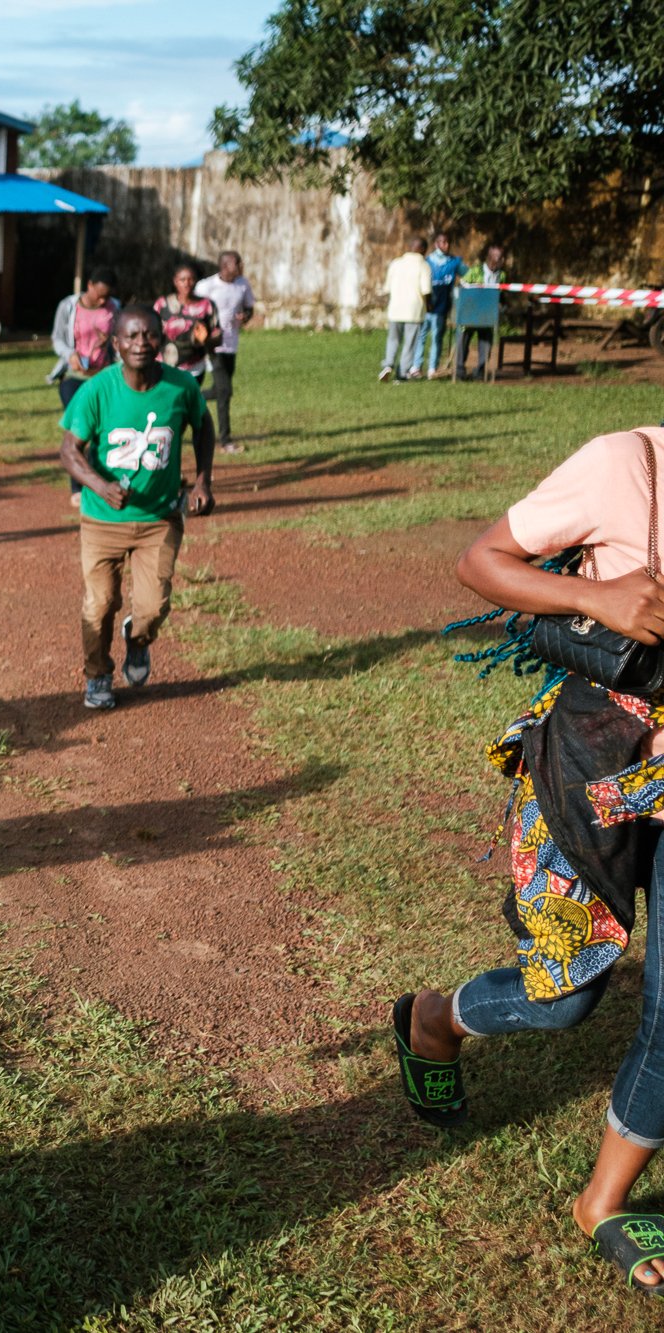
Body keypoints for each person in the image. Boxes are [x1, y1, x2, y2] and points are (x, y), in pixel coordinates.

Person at [397, 422, 664, 1293]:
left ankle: (605, 1199)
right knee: (567, 992)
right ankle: (435, 1021)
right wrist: (605, 599)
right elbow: (483, 562)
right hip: (594, 756)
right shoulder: (629, 463)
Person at [59, 307, 216, 712]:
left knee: (153, 607)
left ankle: (138, 639)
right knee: (100, 603)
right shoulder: (97, 390)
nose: (140, 344)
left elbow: (204, 426)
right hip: (102, 520)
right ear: (116, 345)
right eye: (131, 337)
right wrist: (100, 485)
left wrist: (202, 481)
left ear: (162, 340)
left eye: (148, 336)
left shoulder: (181, 387)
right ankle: (97, 676)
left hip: (158, 519)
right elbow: (69, 451)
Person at [49, 270, 121, 506]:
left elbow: (121, 338)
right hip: (73, 377)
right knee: (80, 432)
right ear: (89, 285)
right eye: (99, 295)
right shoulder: (68, 306)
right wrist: (69, 354)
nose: (103, 301)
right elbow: (57, 338)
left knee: (102, 432)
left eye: (106, 297)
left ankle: (101, 482)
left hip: (103, 378)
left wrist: (109, 341)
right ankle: (77, 488)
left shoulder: (115, 307)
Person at [193, 251, 254, 451]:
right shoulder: (206, 287)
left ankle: (190, 396)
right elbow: (194, 313)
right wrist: (205, 334)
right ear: (225, 265)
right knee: (225, 390)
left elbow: (249, 308)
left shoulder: (243, 284)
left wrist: (245, 316)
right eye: (237, 262)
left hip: (231, 344)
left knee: (219, 391)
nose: (241, 266)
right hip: (212, 346)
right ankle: (225, 441)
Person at [380, 236, 433, 383]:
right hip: (414, 311)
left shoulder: (396, 263)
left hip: (395, 308)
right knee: (410, 343)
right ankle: (402, 373)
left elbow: (387, 288)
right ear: (422, 249)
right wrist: (429, 305)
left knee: (393, 339)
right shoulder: (423, 265)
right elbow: (426, 290)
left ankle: (389, 363)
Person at [154, 263, 218, 383]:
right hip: (165, 364)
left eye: (191, 279)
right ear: (175, 281)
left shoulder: (206, 305)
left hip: (194, 367)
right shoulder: (162, 304)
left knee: (188, 400)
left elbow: (217, 335)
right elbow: (151, 330)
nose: (187, 283)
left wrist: (206, 338)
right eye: (182, 280)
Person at [454, 243, 507, 381]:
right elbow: (461, 286)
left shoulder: (501, 275)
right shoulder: (475, 271)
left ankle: (480, 370)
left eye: (502, 257)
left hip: (487, 315)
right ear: (491, 258)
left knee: (486, 344)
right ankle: (459, 370)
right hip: (470, 313)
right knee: (463, 343)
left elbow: (502, 294)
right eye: (499, 257)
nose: (502, 260)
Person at [418, 232, 465, 379]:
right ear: (436, 244)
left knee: (437, 338)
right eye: (443, 242)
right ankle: (416, 366)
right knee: (421, 336)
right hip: (426, 307)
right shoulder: (426, 262)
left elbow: (468, 275)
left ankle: (432, 368)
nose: (446, 245)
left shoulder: (454, 262)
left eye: (448, 242)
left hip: (441, 308)